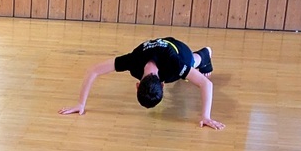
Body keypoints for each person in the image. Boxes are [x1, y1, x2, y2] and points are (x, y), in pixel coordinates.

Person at [60, 37, 222, 129]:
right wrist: (80, 104)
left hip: (177, 49)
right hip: (156, 51)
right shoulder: (133, 60)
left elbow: (206, 84)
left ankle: (204, 54)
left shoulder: (173, 64)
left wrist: (206, 116)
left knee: (188, 69)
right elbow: (93, 70)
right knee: (184, 74)